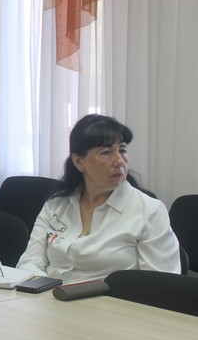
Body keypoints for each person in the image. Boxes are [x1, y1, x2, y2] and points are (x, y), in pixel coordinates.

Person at [16, 114, 180, 284]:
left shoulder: (149, 211)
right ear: (79, 162)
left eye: (122, 150)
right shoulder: (56, 204)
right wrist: (39, 291)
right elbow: (30, 262)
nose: (119, 161)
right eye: (106, 153)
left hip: (110, 300)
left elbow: (161, 286)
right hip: (49, 296)